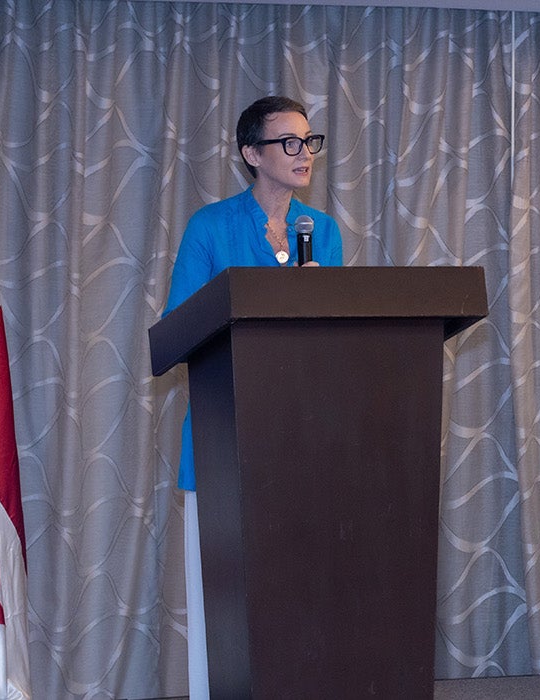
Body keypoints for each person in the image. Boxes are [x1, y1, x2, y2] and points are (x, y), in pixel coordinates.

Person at [163, 95, 343, 699]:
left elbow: (338, 335)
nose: (304, 154)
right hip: (225, 437)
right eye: (288, 142)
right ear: (251, 154)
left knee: (299, 597)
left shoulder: (322, 232)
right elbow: (179, 329)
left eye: (309, 141)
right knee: (226, 605)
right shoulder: (210, 228)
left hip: (303, 438)